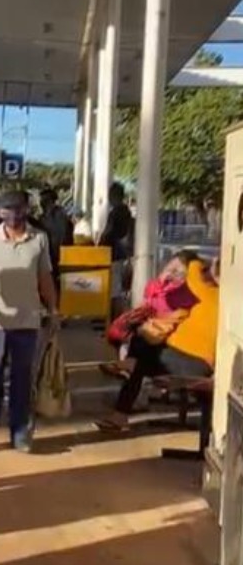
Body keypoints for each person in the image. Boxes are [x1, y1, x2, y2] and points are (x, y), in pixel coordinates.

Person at [0, 190, 58, 453]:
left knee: (22, 377)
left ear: (26, 210)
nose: (13, 215)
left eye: (18, 209)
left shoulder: (39, 239)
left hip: (27, 320)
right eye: (7, 210)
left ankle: (19, 431)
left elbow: (45, 277)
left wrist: (53, 308)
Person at [96, 258, 219, 432]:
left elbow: (192, 266)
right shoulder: (217, 295)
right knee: (139, 358)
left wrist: (209, 263)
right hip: (185, 358)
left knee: (140, 346)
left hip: (192, 362)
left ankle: (122, 400)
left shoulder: (208, 292)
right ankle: (120, 414)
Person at [99, 183, 134, 312]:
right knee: (116, 289)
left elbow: (109, 232)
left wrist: (100, 244)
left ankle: (115, 320)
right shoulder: (126, 211)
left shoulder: (116, 212)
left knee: (114, 290)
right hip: (121, 254)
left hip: (114, 254)